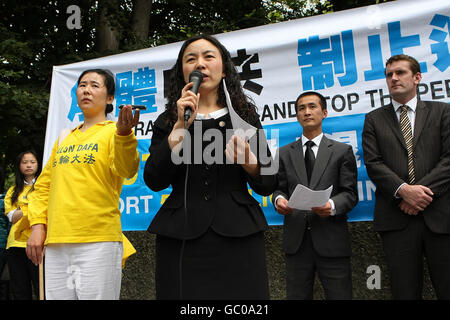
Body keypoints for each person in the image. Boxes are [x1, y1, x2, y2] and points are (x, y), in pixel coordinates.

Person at [143, 34, 277, 299]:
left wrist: (250, 162)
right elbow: (154, 179)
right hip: (180, 237)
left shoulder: (244, 117)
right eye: (191, 59)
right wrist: (180, 128)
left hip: (239, 236)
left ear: (224, 68)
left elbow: (268, 184)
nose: (200, 64)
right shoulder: (168, 120)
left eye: (208, 57)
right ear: (182, 72)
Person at [26, 68, 140, 300]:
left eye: (95, 85)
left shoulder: (114, 132)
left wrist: (125, 135)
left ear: (110, 98)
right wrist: (38, 226)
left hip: (98, 240)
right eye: (82, 85)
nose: (87, 90)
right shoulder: (65, 138)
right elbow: (43, 187)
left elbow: (127, 170)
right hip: (57, 241)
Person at [362, 54, 450, 299]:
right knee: (404, 292)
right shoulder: (374, 119)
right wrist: (403, 191)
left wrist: (419, 194)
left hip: (440, 216)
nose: (394, 78)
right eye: (389, 74)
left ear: (417, 77)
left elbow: (448, 159)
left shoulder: (442, 112)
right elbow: (373, 163)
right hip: (396, 218)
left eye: (400, 72)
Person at [272, 91, 358, 300]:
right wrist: (279, 200)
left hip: (331, 239)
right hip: (297, 242)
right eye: (301, 108)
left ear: (324, 112)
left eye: (312, 107)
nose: (307, 112)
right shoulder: (284, 153)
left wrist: (331, 205)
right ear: (297, 115)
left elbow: (349, 193)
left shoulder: (341, 151)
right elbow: (279, 188)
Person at [3, 151, 40, 299]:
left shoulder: (44, 188)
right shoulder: (13, 191)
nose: (29, 165)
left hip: (39, 244)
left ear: (38, 164)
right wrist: (33, 207)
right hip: (16, 245)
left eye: (32, 161)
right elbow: (12, 217)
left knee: (41, 287)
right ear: (19, 166)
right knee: (19, 290)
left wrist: (22, 208)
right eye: (24, 162)